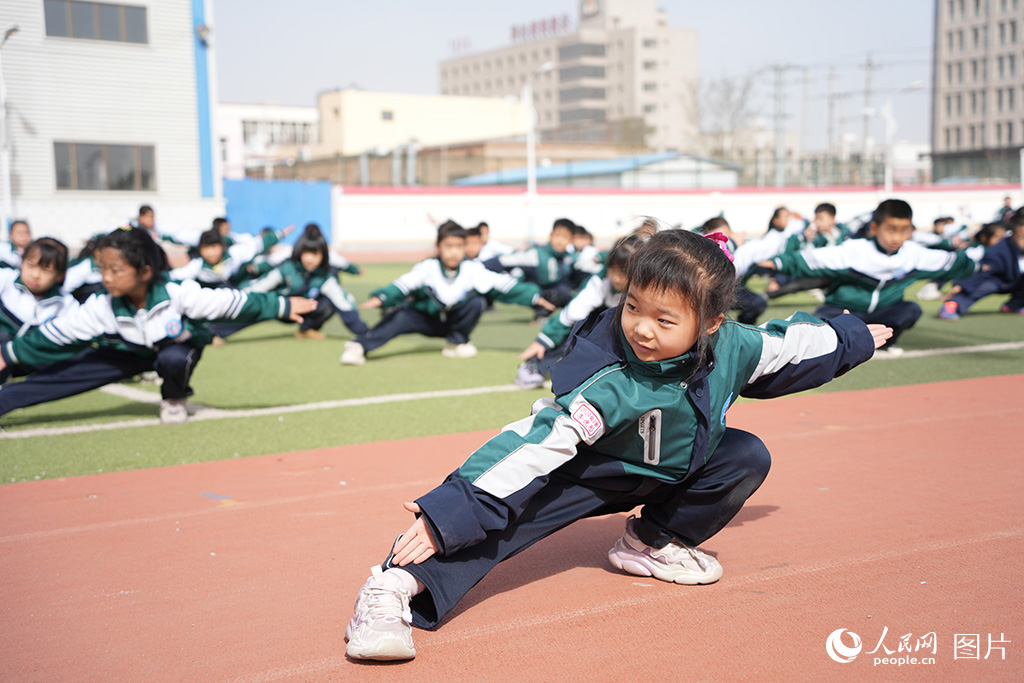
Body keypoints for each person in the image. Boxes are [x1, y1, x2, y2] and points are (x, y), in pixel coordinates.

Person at [343, 227, 892, 661]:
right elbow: (536, 443)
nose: (641, 329)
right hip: (588, 466)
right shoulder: (609, 378)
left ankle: (649, 540)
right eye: (633, 307)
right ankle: (393, 586)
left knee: (745, 455)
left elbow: (792, 343)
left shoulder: (735, 346)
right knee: (507, 518)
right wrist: (448, 512)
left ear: (710, 324)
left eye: (663, 318)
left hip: (665, 465)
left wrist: (855, 336)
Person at [0, 228, 315, 424]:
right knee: (66, 374)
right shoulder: (101, 306)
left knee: (174, 358)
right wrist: (9, 353)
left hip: (173, 346)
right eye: (103, 269)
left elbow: (232, 302)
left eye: (115, 270)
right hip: (128, 353)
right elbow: (57, 335)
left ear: (145, 271)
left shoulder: (179, 294)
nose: (106, 277)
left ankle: (174, 398)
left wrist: (282, 305)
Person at [760, 199, 976, 355]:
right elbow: (812, 259)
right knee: (817, 325)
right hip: (847, 310)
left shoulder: (914, 254)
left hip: (884, 312)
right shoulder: (855, 250)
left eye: (903, 230)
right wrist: (778, 262)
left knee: (911, 309)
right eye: (891, 230)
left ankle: (885, 342)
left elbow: (953, 262)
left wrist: (974, 264)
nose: (897, 237)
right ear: (874, 228)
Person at [340, 221, 554, 365]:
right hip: (425, 320)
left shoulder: (472, 268)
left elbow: (503, 285)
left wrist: (534, 297)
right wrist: (383, 297)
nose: (454, 251)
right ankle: (359, 346)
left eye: (459, 246)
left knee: (477, 302)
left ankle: (456, 342)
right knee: (401, 316)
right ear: (438, 246)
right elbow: (404, 284)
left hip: (452, 323)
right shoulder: (428, 267)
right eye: (448, 246)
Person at [515, 232, 641, 389]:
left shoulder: (645, 289)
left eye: (623, 271)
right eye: (613, 269)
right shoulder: (601, 281)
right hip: (607, 326)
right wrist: (543, 340)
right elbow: (573, 312)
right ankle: (535, 366)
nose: (616, 277)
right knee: (579, 326)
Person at [238, 224, 367, 341]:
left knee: (330, 302)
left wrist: (364, 332)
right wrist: (237, 296)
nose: (310, 258)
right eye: (306, 253)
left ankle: (305, 329)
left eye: (315, 254)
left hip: (304, 310)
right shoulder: (287, 267)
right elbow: (261, 284)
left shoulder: (325, 276)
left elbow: (342, 299)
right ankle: (219, 330)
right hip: (281, 307)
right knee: (257, 303)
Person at [0, 237, 76, 383]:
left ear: (60, 275)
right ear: (22, 262)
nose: (35, 275)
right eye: (31, 265)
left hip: (28, 357)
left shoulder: (66, 303)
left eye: (45, 270)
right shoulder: (6, 279)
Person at [482, 218, 576, 318]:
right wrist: (481, 266)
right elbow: (503, 261)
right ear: (551, 235)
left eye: (565, 237)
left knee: (567, 293)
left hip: (549, 289)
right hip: (531, 290)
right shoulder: (536, 254)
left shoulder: (568, 257)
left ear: (571, 240)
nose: (560, 240)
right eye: (557, 235)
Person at [938, 216, 1024, 319]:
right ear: (1013, 235)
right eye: (1021, 237)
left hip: (1017, 281)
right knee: (982, 286)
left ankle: (1012, 306)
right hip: (999, 280)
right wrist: (961, 285)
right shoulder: (999, 251)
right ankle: (953, 305)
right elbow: (984, 271)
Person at [170, 225, 291, 289]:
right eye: (206, 248)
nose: (211, 252)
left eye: (214, 247)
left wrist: (279, 234)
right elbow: (175, 276)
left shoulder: (234, 254)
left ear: (222, 246)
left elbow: (257, 245)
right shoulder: (197, 267)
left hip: (235, 291)